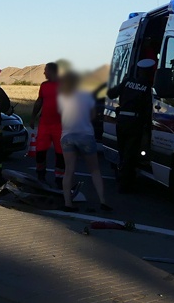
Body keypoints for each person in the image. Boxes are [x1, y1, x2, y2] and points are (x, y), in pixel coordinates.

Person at [58, 71, 111, 212]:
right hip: (85, 135)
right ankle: (102, 201)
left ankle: (67, 203)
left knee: (69, 170)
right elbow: (93, 115)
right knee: (95, 169)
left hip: (67, 136)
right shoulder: (88, 97)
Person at [107, 58, 156, 193]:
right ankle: (124, 184)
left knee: (122, 152)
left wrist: (120, 83)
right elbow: (147, 109)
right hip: (135, 123)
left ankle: (123, 178)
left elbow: (111, 94)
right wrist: (147, 127)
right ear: (149, 72)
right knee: (130, 154)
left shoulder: (127, 82)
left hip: (122, 121)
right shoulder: (147, 88)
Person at [30, 62, 64, 188]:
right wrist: (33, 117)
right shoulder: (44, 85)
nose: (44, 73)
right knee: (40, 151)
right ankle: (41, 176)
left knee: (60, 153)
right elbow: (39, 101)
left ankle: (60, 180)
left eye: (46, 70)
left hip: (60, 125)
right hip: (44, 124)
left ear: (53, 71)